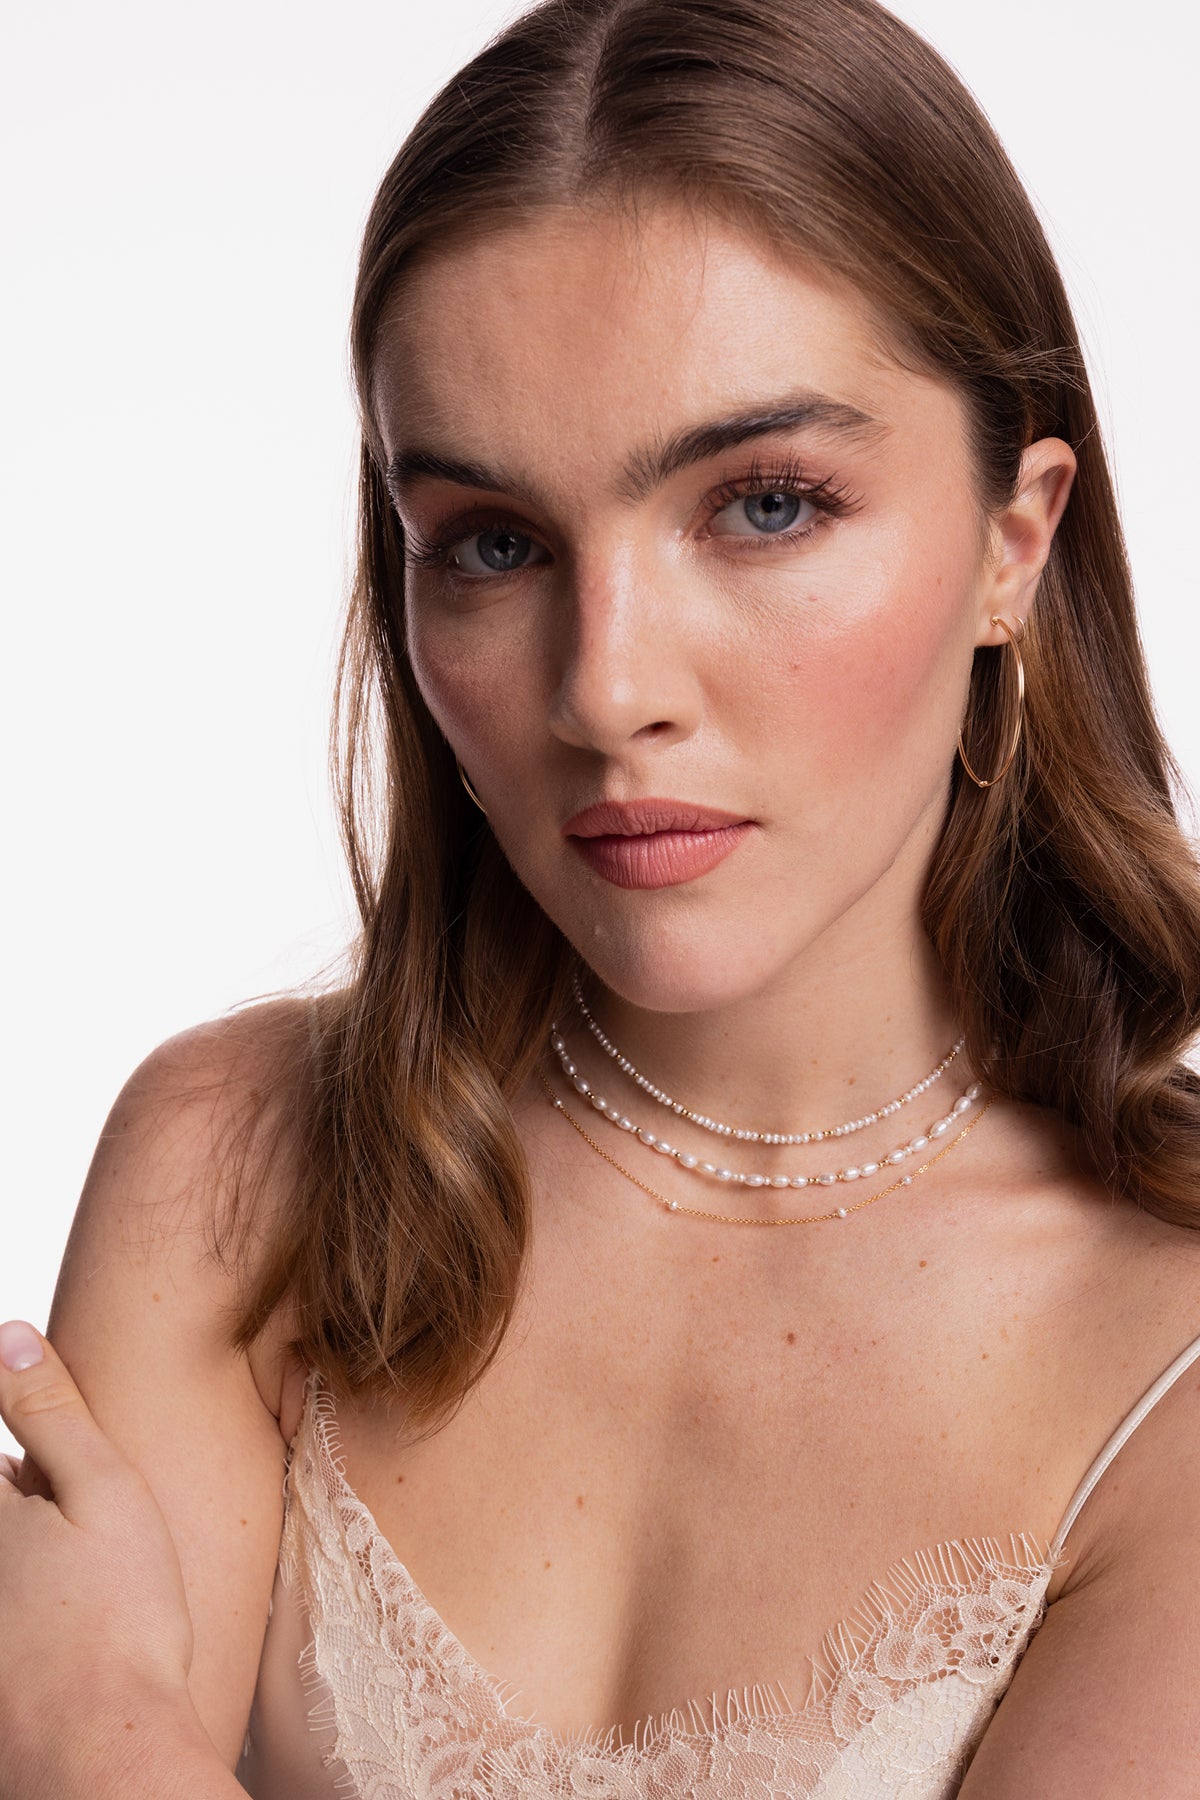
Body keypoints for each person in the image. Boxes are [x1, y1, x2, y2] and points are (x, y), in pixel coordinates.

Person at [2, 0, 1199, 1793]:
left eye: (766, 504)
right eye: (493, 542)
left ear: (1012, 543)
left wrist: (91, 1733)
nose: (605, 687)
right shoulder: (235, 1175)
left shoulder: (1170, 1365)